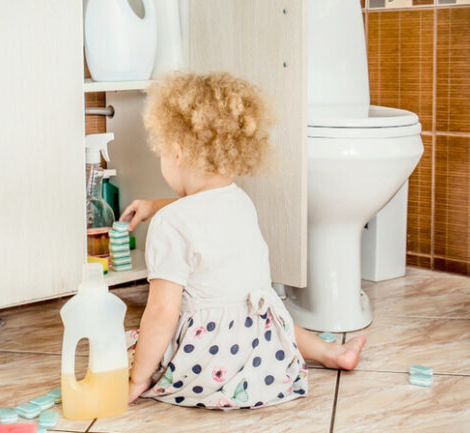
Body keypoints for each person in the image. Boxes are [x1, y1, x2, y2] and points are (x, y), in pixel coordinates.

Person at [121, 72, 366, 409]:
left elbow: (162, 311)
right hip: (264, 350)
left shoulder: (169, 224)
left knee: (134, 343)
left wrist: (138, 378)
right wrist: (153, 205)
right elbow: (205, 212)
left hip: (208, 362)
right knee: (268, 307)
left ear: (176, 153)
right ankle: (332, 352)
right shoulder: (239, 200)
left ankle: (154, 371)